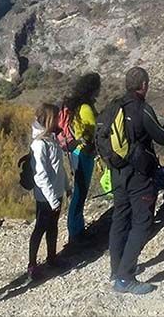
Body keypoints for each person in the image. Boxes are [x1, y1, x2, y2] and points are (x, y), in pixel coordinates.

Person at [109, 67, 164, 295]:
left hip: (117, 173)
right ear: (145, 85)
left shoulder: (114, 107)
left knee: (120, 218)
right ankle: (125, 277)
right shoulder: (142, 109)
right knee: (142, 223)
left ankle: (116, 269)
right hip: (139, 176)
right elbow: (162, 137)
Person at [28, 103, 71, 281]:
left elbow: (58, 168)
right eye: (56, 117)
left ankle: (52, 258)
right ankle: (32, 266)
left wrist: (66, 186)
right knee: (40, 228)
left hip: (55, 193)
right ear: (49, 119)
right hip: (45, 197)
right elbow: (41, 176)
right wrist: (53, 199)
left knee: (53, 227)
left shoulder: (51, 139)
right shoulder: (39, 144)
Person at [64, 73, 101, 244]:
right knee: (80, 192)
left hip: (76, 153)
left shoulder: (78, 106)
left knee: (79, 192)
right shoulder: (86, 108)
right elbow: (92, 131)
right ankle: (75, 233)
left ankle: (77, 229)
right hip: (83, 154)